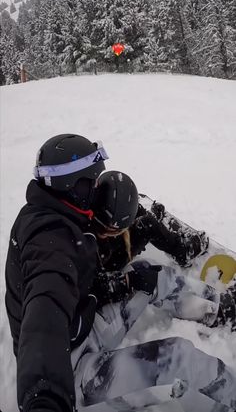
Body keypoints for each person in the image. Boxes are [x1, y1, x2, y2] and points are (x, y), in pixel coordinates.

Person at [5, 134, 236, 412]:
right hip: (69, 371)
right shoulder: (50, 242)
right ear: (73, 186)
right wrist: (46, 398)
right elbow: (45, 317)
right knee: (177, 356)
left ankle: (220, 309)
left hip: (81, 331)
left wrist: (120, 284)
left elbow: (74, 286)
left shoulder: (59, 216)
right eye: (92, 182)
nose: (97, 189)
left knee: (148, 275)